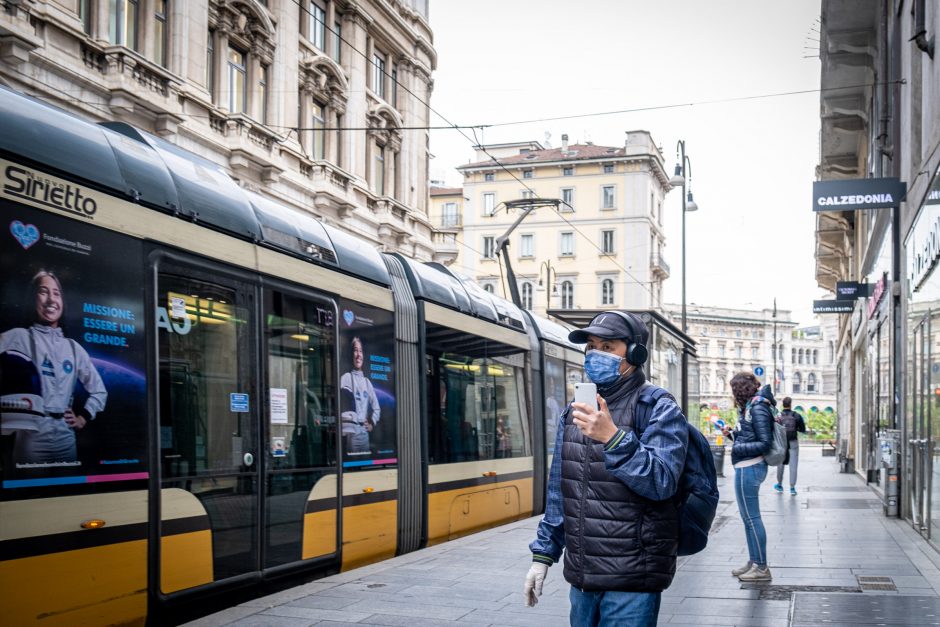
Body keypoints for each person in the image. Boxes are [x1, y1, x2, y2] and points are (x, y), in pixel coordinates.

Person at [524, 311, 689, 626]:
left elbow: (662, 482)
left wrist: (613, 439)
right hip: (583, 577)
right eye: (592, 346)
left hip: (632, 578)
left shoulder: (657, 406)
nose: (596, 354)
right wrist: (543, 556)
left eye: (608, 347)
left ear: (635, 354)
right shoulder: (575, 412)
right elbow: (561, 490)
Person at [0, 270, 107, 464]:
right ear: (33, 298)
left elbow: (99, 391)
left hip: (66, 439)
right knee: (32, 492)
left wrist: (83, 417)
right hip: (32, 437)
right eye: (43, 291)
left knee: (67, 492)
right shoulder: (20, 337)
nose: (51, 299)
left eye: (56, 293)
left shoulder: (74, 348)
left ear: (62, 302)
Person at [721, 373, 775, 583]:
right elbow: (749, 435)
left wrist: (737, 446)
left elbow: (764, 443)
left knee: (752, 518)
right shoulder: (751, 407)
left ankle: (761, 567)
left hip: (750, 466)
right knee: (747, 519)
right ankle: (754, 561)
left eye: (734, 389)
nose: (732, 393)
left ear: (740, 389)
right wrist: (732, 435)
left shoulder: (758, 407)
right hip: (746, 465)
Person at [339, 336, 380, 454]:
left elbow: (376, 407)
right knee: (354, 468)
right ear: (351, 354)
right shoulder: (346, 378)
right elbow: (342, 405)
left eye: (360, 351)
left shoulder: (367, 382)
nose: (358, 354)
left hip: (365, 434)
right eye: (355, 350)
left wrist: (372, 422)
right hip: (352, 433)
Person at [773, 397, 806, 495]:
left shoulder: (778, 416)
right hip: (793, 442)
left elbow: (774, 429)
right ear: (791, 404)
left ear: (783, 405)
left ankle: (779, 484)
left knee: (780, 464)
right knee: (793, 465)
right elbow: (802, 429)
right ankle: (792, 488)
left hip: (781, 443)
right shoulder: (797, 415)